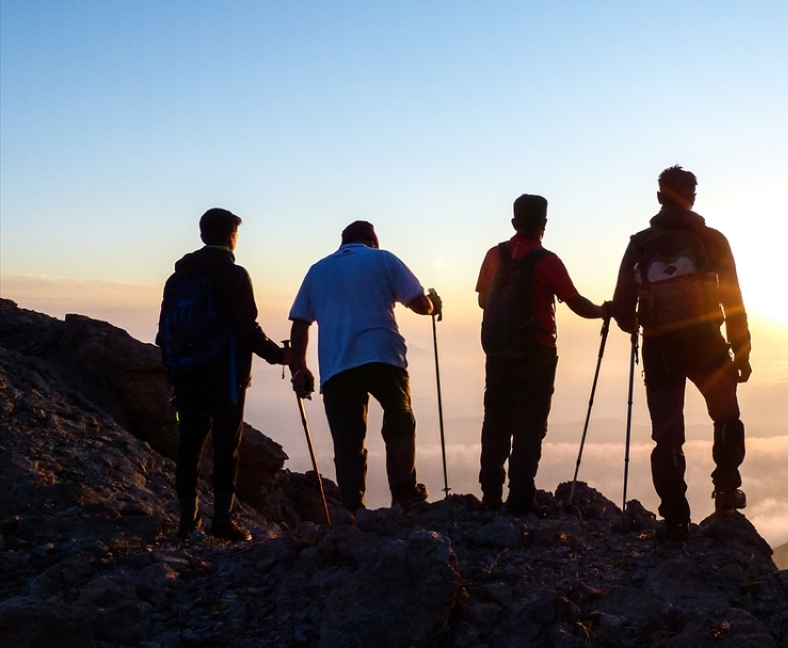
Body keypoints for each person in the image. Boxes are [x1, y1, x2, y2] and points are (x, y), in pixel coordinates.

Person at [611, 166, 752, 542]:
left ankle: (675, 519)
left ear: (659, 197)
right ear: (693, 197)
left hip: (660, 349)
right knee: (726, 416)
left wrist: (635, 322)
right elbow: (733, 300)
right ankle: (726, 493)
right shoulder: (713, 240)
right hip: (707, 343)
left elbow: (623, 309)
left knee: (668, 436)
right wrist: (742, 350)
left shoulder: (640, 244)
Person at [288, 220, 442, 514]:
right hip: (383, 355)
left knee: (348, 440)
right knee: (400, 421)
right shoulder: (383, 259)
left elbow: (300, 322)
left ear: (343, 243)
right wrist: (434, 304)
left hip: (336, 364)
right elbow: (420, 305)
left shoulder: (317, 270)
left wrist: (300, 367)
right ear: (373, 241)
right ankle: (404, 494)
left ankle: (353, 510)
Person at [475, 195, 610, 514]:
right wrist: (604, 311)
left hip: (498, 351)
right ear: (544, 224)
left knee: (495, 422)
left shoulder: (494, 255)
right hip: (537, 353)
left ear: (514, 222)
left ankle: (491, 495)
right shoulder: (547, 261)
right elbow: (576, 303)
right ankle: (521, 499)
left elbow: (482, 301)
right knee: (529, 426)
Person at [158, 208, 287, 542]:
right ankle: (222, 521)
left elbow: (164, 330)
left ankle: (188, 523)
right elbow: (246, 329)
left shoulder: (178, 278)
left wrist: (175, 366)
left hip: (186, 372)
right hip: (225, 373)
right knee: (226, 447)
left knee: (189, 447)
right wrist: (278, 355)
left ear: (202, 235)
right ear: (232, 236)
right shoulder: (234, 275)